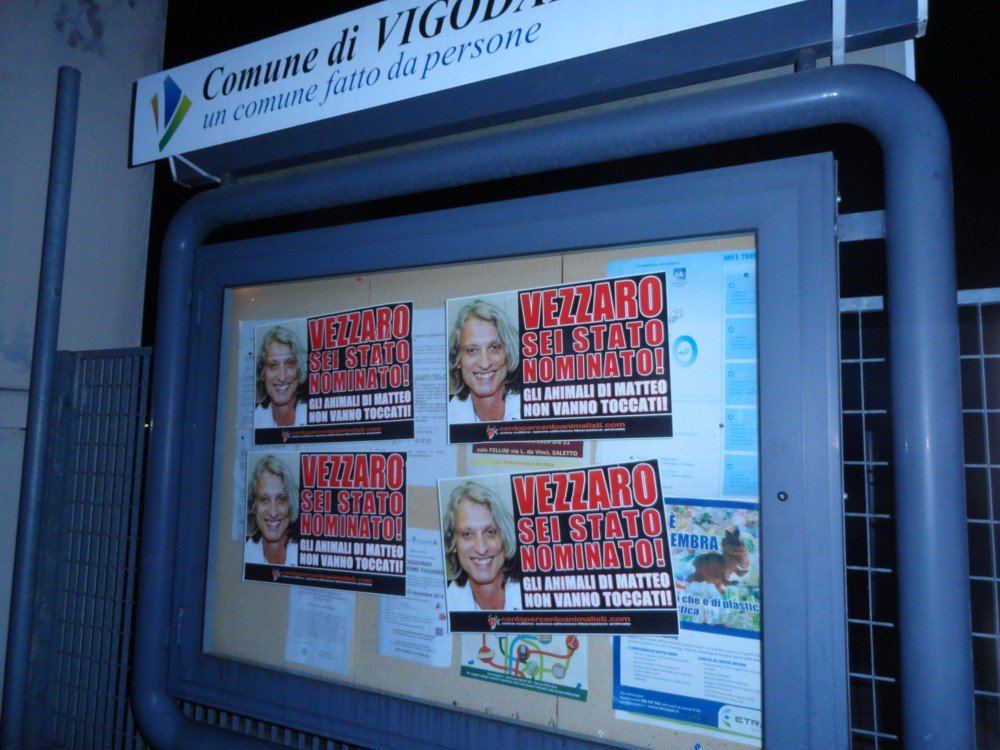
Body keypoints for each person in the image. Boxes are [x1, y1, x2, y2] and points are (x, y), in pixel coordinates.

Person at [443, 481, 522, 611]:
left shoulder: (538, 591)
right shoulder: (447, 604)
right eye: (467, 534)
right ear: (453, 543)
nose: (481, 549)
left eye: (490, 532)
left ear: (505, 537)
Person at [447, 300, 521, 423]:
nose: (485, 364)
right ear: (458, 359)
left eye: (494, 348)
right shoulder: (449, 417)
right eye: (472, 350)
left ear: (508, 353)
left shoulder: (534, 406)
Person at [245, 454, 300, 566]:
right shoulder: (241, 553)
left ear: (291, 505)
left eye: (281, 499)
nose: (273, 512)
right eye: (264, 499)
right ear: (254, 506)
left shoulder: (308, 554)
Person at [253, 325, 308, 429]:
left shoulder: (316, 415)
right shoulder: (253, 421)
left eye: (289, 363)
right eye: (273, 365)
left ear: (299, 369)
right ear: (262, 373)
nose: (282, 377)